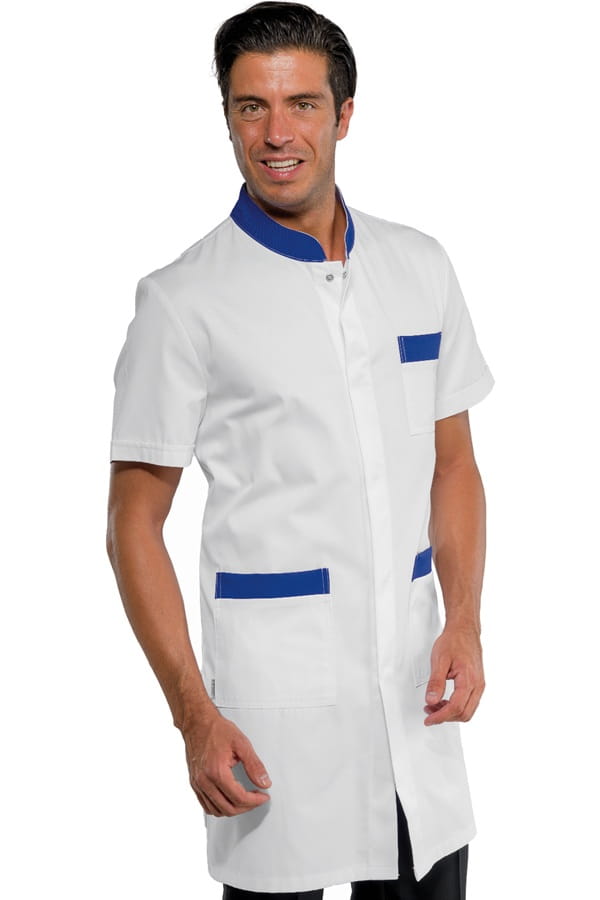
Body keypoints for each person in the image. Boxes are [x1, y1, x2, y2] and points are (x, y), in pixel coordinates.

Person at [106, 3, 494, 898]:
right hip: (274, 717)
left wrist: (466, 622)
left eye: (302, 104)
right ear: (227, 118)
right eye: (251, 107)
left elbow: (455, 465)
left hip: (417, 700)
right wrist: (193, 716)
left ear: (344, 114)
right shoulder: (183, 300)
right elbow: (133, 524)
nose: (276, 134)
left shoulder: (420, 267)